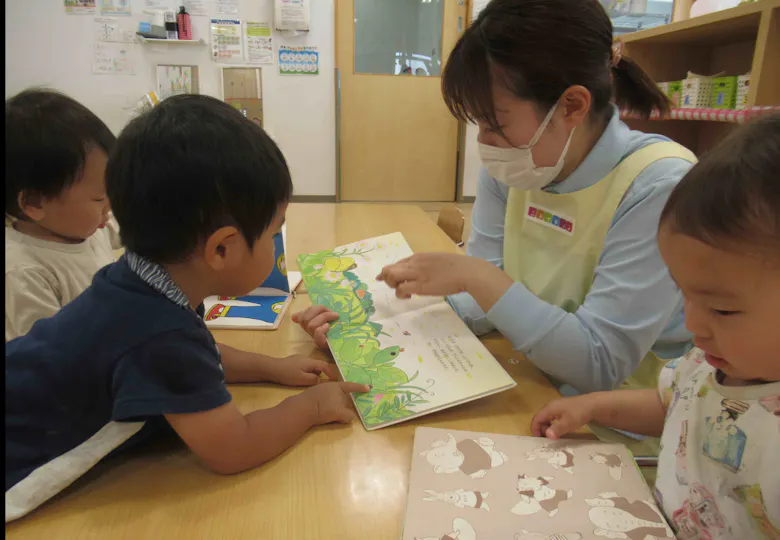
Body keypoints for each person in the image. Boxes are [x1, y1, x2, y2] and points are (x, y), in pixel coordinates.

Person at [298, 0, 696, 433]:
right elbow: (484, 306)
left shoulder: (659, 185)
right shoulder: (516, 167)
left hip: (619, 428)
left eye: (496, 123)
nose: (485, 142)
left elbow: (600, 362)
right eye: (478, 123)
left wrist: (477, 277)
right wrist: (363, 324)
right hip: (533, 382)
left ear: (571, 106)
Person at [5, 95, 370, 522]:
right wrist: (312, 408)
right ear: (220, 249)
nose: (276, 246)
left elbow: (201, 352)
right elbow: (233, 448)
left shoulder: (140, 281)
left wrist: (273, 368)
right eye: (274, 233)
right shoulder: (159, 334)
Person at [532, 116, 780, 538]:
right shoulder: (706, 362)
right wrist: (591, 407)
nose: (693, 325)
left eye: (722, 311)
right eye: (683, 292)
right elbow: (672, 404)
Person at [5, 89, 122, 340]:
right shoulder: (24, 272)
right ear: (35, 203)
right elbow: (47, 359)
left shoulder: (86, 228)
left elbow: (133, 227)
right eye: (99, 198)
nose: (109, 206)